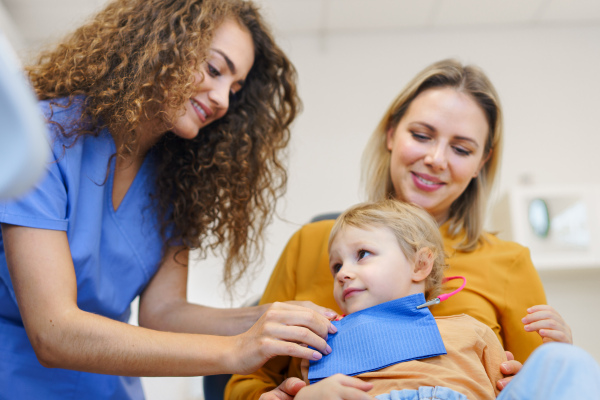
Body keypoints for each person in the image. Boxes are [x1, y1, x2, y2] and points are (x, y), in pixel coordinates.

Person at [0, 1, 338, 399]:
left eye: (234, 88)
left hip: (106, 385)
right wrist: (237, 349)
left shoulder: (176, 181)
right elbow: (54, 332)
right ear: (159, 46)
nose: (223, 101)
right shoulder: (45, 139)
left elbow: (163, 313)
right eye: (214, 70)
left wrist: (270, 320)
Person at [224, 59, 574, 400]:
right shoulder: (311, 243)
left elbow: (541, 381)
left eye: (461, 148)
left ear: (481, 162)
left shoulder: (509, 262)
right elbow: (247, 380)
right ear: (392, 134)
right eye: (422, 135)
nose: (436, 159)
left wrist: (533, 378)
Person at [296, 199, 600, 400]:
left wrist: (550, 363)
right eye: (336, 265)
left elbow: (506, 389)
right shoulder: (322, 343)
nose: (343, 273)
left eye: (362, 254)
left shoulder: (471, 330)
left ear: (420, 265)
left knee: (563, 360)